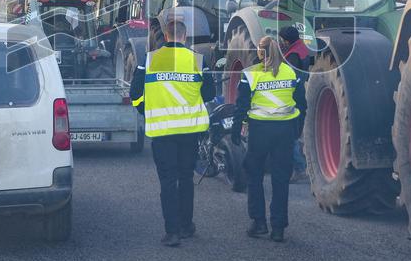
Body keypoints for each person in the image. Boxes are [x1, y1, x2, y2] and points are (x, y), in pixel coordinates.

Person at [130, 19, 215, 246]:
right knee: (186, 178)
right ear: (184, 37)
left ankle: (172, 232)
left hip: (162, 131)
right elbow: (209, 93)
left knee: (168, 181)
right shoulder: (198, 60)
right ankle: (187, 226)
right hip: (189, 130)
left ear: (166, 36)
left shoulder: (149, 60)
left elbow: (135, 93)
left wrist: (146, 109)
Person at [232, 36, 306, 243]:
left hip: (260, 131)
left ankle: (259, 223)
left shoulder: (251, 74)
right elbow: (302, 104)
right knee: (280, 179)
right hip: (285, 131)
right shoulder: (291, 72)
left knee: (254, 175)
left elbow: (241, 106)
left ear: (259, 52)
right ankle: (278, 228)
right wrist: (297, 130)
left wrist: (236, 132)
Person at [279, 26, 310, 182]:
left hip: (294, 100)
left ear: (287, 40)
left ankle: (299, 169)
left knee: (290, 136)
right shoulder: (302, 48)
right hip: (301, 98)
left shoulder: (292, 56)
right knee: (296, 134)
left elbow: (290, 80)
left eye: (282, 40)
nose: (281, 43)